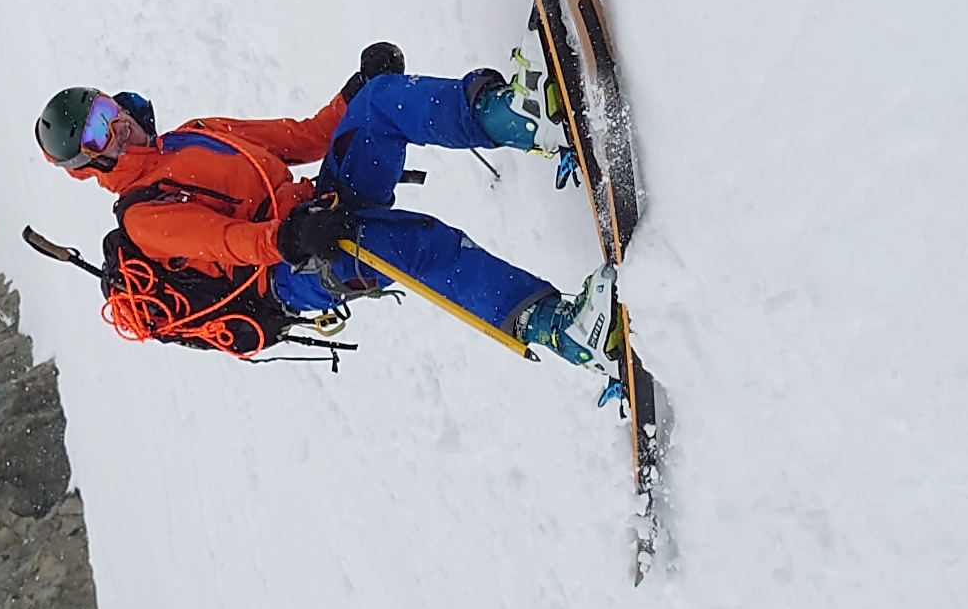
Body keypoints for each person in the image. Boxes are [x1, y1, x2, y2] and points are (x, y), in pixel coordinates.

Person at [33, 43, 614, 368]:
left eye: (108, 113)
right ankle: (560, 329)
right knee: (414, 245)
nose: (118, 129)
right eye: (98, 138)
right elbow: (225, 241)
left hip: (317, 209)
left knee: (385, 102)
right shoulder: (142, 214)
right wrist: (288, 241)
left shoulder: (193, 133)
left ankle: (528, 118)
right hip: (288, 271)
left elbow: (305, 139)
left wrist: (355, 91)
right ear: (89, 167)